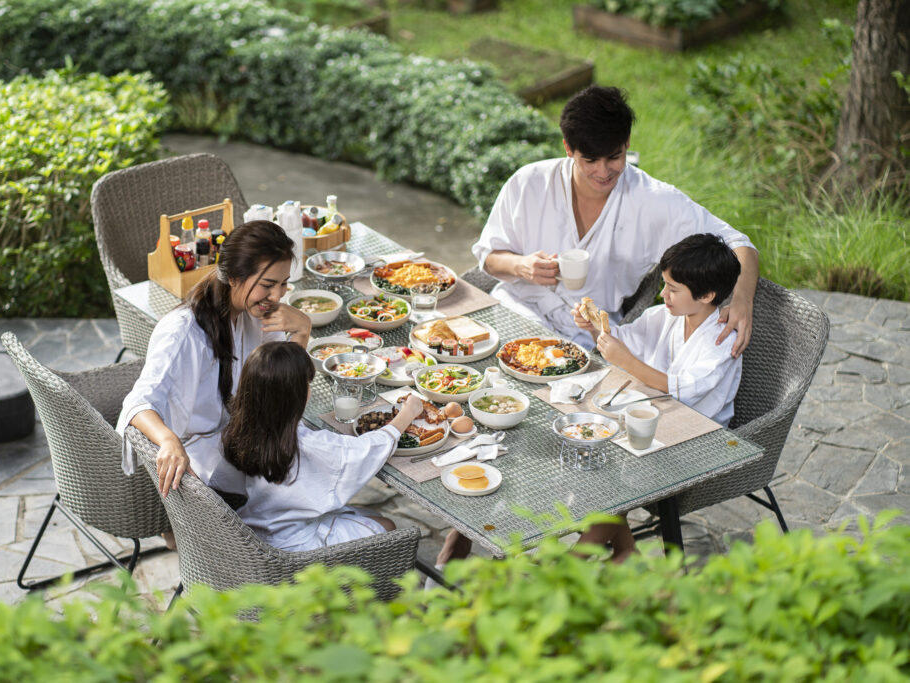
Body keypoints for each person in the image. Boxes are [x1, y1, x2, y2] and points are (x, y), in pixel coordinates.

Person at [471, 85, 759, 358]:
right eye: (590, 160)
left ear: (627, 143)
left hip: (584, 338)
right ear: (568, 148)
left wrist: (742, 300)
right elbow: (489, 257)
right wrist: (520, 266)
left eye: (614, 157)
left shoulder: (653, 201)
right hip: (513, 309)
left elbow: (739, 244)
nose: (603, 172)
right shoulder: (529, 183)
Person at [571, 233, 744, 561]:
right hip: (656, 419)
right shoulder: (669, 316)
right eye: (665, 284)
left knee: (612, 470)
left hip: (698, 439)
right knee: (587, 442)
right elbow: (623, 337)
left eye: (673, 289)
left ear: (707, 295)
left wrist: (625, 360)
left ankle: (568, 567)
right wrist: (595, 327)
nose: (663, 295)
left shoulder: (722, 342)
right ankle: (624, 549)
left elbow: (680, 386)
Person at [116, 220, 312, 499]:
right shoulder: (182, 332)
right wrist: (168, 441)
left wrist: (302, 330)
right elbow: (137, 405)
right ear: (234, 277)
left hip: (239, 442)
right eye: (268, 285)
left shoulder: (255, 314)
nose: (277, 296)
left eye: (283, 285)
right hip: (199, 470)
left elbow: (287, 393)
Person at [221, 341, 425, 550]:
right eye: (307, 384)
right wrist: (407, 413)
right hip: (295, 546)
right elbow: (363, 451)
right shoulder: (307, 444)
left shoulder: (240, 427)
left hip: (259, 526)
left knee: (370, 516)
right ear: (298, 394)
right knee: (386, 525)